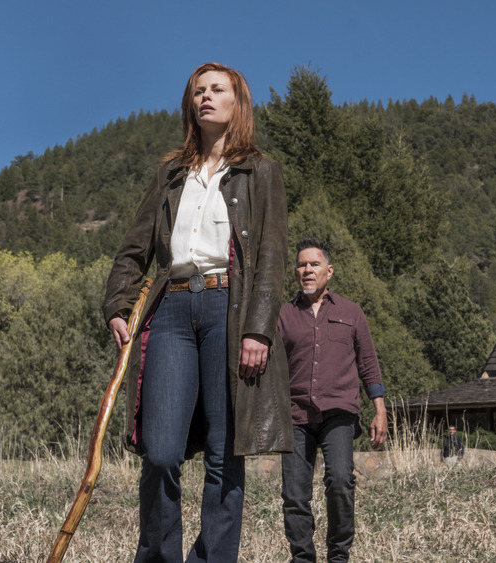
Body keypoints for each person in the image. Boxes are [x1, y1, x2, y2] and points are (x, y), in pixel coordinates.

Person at [103, 62, 293, 562]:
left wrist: (259, 329)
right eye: (197, 91)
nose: (205, 97)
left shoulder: (261, 170)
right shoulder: (170, 173)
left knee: (223, 455)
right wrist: (118, 305)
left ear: (238, 102)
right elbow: (134, 249)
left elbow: (271, 259)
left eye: (216, 89)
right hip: (169, 312)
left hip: (229, 311)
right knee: (160, 452)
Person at [278, 236, 388, 563]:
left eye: (314, 264)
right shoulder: (283, 315)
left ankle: (338, 557)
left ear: (329, 270)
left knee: (340, 481)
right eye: (301, 264)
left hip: (339, 414)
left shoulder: (352, 313)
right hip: (295, 416)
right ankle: (303, 559)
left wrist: (379, 410)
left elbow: (368, 363)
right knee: (295, 497)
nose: (307, 270)